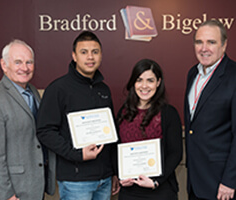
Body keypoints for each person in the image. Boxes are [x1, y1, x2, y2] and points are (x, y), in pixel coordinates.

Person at [36, 31, 119, 200]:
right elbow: (45, 131)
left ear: (101, 55)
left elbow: (111, 134)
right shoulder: (58, 89)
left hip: (104, 180)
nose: (90, 57)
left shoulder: (104, 90)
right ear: (74, 56)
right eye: (84, 52)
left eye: (95, 52)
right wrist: (77, 154)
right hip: (75, 181)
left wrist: (114, 172)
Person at [0, 39, 54, 200]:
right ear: (4, 65)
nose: (24, 68)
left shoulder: (32, 91)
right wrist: (6, 195)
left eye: (29, 62)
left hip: (35, 185)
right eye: (18, 62)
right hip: (14, 191)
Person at [184, 20, 236, 200]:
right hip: (195, 181)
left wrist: (231, 180)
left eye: (211, 42)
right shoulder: (193, 74)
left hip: (222, 183)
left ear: (224, 45)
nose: (204, 48)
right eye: (199, 42)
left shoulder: (234, 76)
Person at [117, 58, 183, 200]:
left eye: (150, 80)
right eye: (139, 80)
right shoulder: (124, 112)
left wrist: (155, 181)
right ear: (133, 82)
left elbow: (176, 153)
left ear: (158, 82)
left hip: (160, 190)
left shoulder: (169, 113)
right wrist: (120, 175)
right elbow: (115, 148)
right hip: (129, 190)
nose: (144, 86)